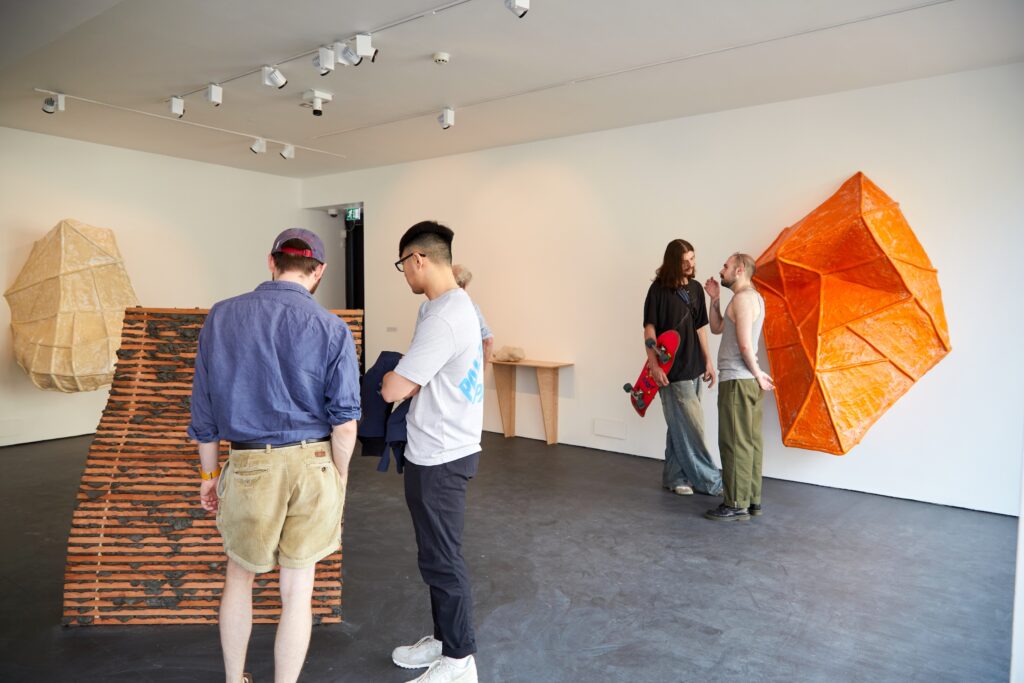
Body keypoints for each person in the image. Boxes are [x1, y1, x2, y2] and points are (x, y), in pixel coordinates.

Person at [188, 228, 361, 683]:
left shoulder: (222, 317)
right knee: (298, 590)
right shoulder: (332, 328)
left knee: (239, 578)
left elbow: (204, 412)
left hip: (250, 465)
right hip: (314, 464)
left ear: (271, 261)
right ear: (319, 271)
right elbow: (345, 422)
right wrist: (339, 478)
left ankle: (234, 680)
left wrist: (209, 475)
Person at [382, 221, 483, 683]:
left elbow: (395, 388)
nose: (404, 273)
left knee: (443, 559)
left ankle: (459, 661)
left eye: (403, 264)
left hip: (442, 455)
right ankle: (445, 641)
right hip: (437, 447)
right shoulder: (442, 308)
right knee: (434, 556)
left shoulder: (444, 317)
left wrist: (390, 378)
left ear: (418, 259)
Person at [643, 239, 723, 497]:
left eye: (692, 258)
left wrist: (708, 361)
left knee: (680, 425)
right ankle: (711, 481)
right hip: (671, 371)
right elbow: (649, 329)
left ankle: (675, 477)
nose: (690, 265)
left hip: (695, 366)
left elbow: (700, 328)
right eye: (684, 261)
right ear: (672, 262)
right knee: (693, 428)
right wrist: (654, 365)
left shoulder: (696, 288)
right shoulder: (658, 290)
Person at [703, 253, 774, 522]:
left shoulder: (744, 299)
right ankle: (751, 500)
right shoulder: (750, 298)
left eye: (726, 266)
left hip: (738, 381)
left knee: (734, 442)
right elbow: (717, 327)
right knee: (750, 441)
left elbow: (745, 345)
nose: (722, 270)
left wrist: (757, 374)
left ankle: (735, 504)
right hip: (746, 381)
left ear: (740, 269)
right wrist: (714, 299)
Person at [451, 264, 494, 365]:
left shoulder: (431, 306)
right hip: (467, 368)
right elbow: (488, 340)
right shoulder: (472, 307)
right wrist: (481, 370)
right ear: (466, 285)